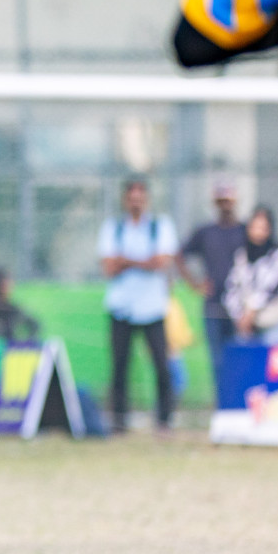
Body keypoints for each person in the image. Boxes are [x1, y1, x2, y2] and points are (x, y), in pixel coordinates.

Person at [97, 178, 178, 434]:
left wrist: (126, 261)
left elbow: (162, 261)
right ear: (124, 199)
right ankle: (119, 419)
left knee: (161, 366)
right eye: (131, 197)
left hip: (152, 307)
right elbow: (109, 267)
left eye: (140, 197)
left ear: (146, 199)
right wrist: (144, 261)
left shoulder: (160, 226)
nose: (136, 202)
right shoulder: (113, 228)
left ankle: (164, 419)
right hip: (122, 307)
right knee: (119, 366)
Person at [174, 181, 246, 392]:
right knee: (217, 362)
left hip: (240, 308)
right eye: (221, 201)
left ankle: (239, 405)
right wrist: (194, 283)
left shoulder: (244, 230)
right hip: (214, 307)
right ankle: (222, 405)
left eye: (228, 200)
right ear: (216, 203)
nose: (225, 205)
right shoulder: (206, 232)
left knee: (240, 358)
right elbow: (179, 255)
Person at [223, 205, 278, 345]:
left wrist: (251, 311)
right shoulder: (241, 255)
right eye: (254, 227)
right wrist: (240, 316)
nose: (258, 233)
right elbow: (231, 288)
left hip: (274, 324)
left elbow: (272, 286)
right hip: (247, 328)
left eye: (263, 228)